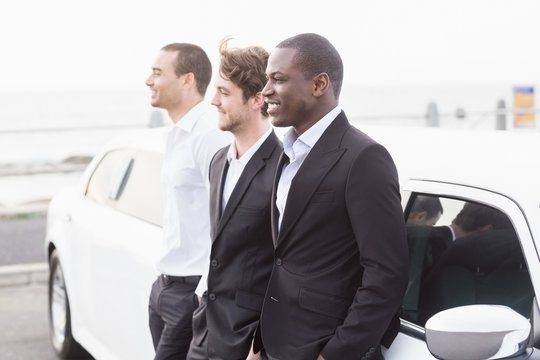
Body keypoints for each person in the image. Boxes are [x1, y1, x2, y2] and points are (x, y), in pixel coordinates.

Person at [254, 33, 409, 360]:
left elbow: (386, 274)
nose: (265, 90)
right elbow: (284, 260)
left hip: (322, 347)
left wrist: (335, 354)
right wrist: (260, 344)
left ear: (319, 84)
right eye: (266, 79)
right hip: (276, 343)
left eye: (278, 79)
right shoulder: (288, 153)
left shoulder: (364, 158)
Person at [186, 38, 282, 360]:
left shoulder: (285, 169)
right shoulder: (217, 162)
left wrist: (261, 343)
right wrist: (201, 294)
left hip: (247, 342)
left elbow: (287, 268)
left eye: (224, 92)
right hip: (205, 331)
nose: (213, 101)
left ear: (257, 100)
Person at [145, 43, 231, 360]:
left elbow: (230, 215)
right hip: (163, 287)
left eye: (157, 72)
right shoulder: (175, 134)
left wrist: (201, 294)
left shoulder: (209, 134)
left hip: (191, 292)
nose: (148, 81)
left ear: (187, 80)